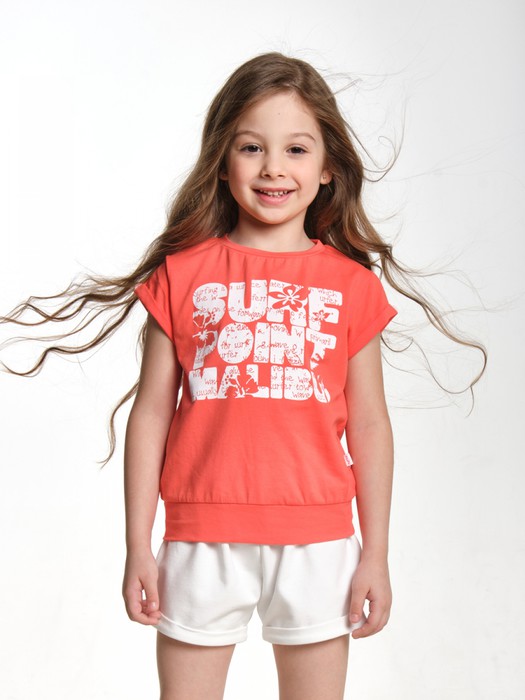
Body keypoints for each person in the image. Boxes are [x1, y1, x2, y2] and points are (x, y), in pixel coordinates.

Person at [1, 52, 486, 700]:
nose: (273, 168)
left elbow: (370, 423)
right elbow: (151, 413)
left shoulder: (351, 286)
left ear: (327, 169)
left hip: (318, 541)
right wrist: (138, 544)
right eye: (252, 147)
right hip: (201, 537)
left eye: (296, 149)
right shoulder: (181, 275)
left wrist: (376, 553)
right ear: (222, 161)